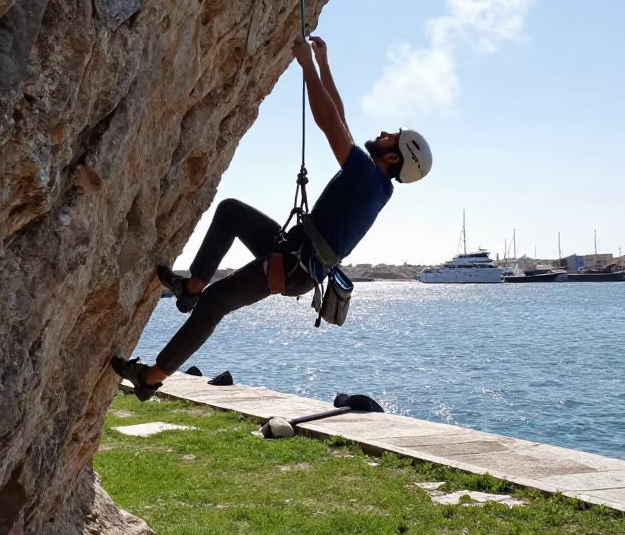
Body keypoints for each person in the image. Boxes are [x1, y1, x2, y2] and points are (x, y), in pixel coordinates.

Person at [111, 35, 432, 399]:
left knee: (216, 305)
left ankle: (150, 378)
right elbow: (340, 119)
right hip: (295, 249)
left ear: (393, 158)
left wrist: (308, 67)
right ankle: (191, 287)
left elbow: (329, 122)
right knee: (230, 211)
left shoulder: (366, 176)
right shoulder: (376, 182)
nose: (385, 134)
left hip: (294, 264)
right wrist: (324, 66)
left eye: (394, 137)